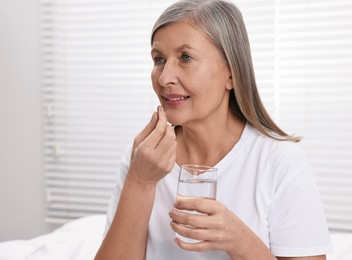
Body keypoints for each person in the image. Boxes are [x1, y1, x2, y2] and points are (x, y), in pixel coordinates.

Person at [95, 0, 332, 259]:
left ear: (231, 73)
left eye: (185, 58)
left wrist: (238, 240)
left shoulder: (279, 161)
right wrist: (139, 182)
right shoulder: (145, 156)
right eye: (159, 59)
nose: (164, 78)